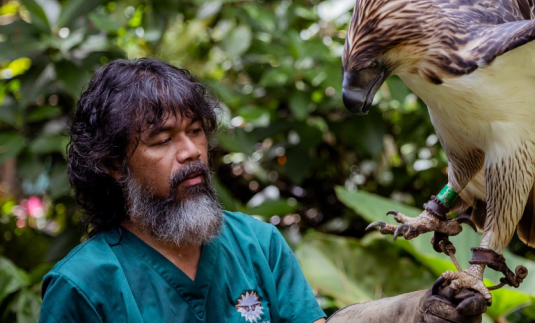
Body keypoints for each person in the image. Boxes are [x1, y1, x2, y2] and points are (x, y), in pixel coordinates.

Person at [40, 58, 486, 323]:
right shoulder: (82, 285)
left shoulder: (258, 244)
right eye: (162, 140)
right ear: (114, 164)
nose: (191, 151)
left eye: (196, 131)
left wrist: (415, 312)